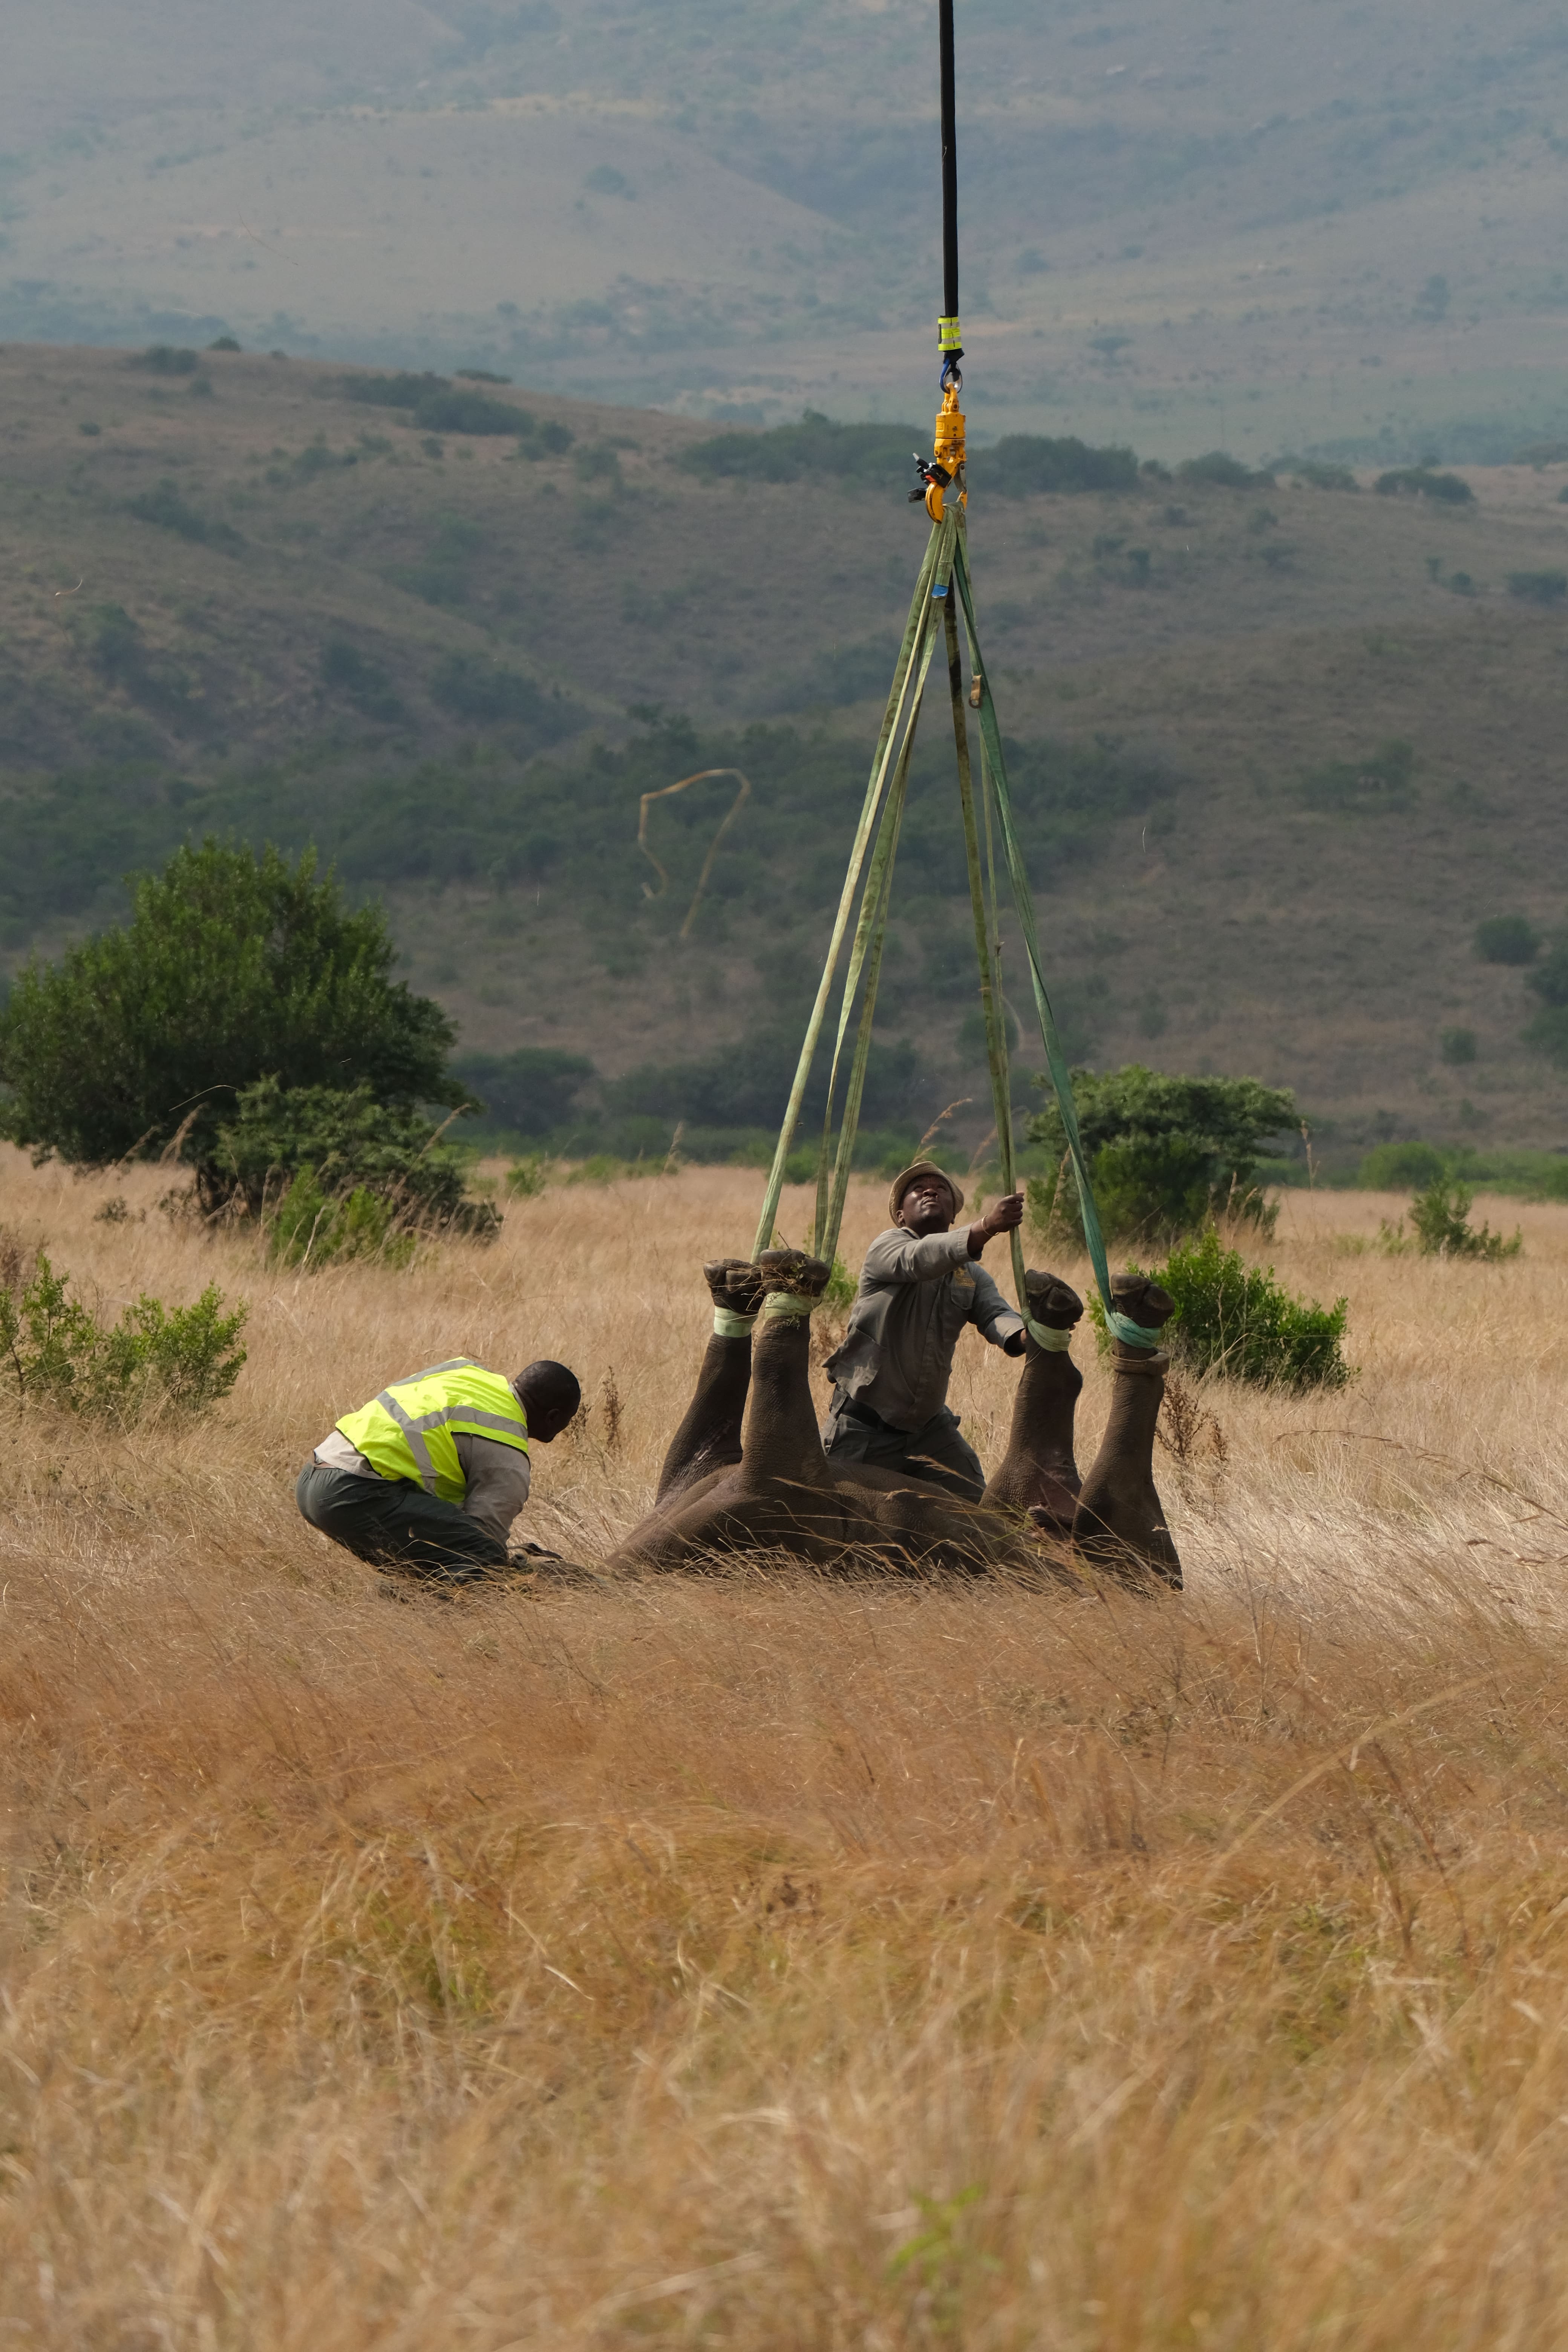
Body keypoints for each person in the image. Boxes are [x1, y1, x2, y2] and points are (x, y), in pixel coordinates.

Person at [821, 1159, 1027, 1502]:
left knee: (977, 1513)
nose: (930, 1190)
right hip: (863, 1428)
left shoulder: (970, 1276)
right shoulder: (886, 1248)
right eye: (918, 1189)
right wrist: (988, 1227)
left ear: (953, 1217)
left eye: (940, 1188)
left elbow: (997, 1314)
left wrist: (1027, 1336)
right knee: (835, 1521)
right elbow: (920, 1260)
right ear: (901, 1216)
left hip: (930, 1431)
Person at [296, 1355, 581, 1583]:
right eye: (567, 1422)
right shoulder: (509, 1457)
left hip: (313, 1477)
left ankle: (402, 1602)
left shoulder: (467, 1373)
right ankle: (433, 1627)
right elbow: (483, 1546)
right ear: (553, 1418)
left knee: (427, 1558)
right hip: (352, 1492)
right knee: (482, 1555)